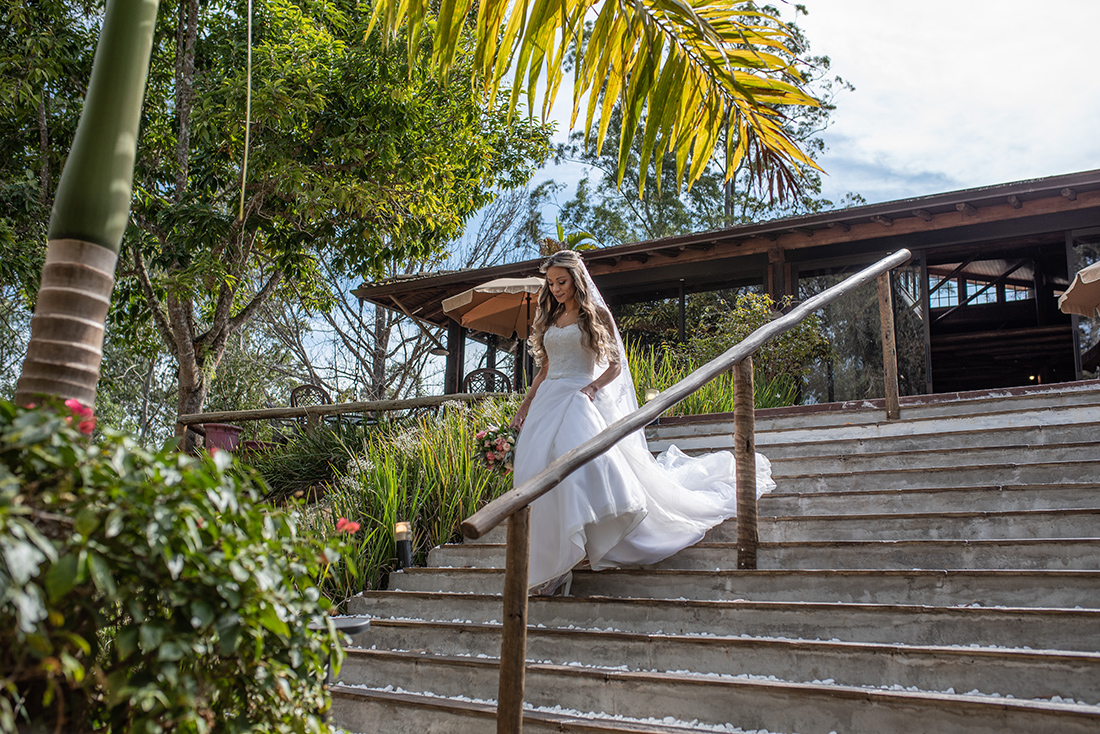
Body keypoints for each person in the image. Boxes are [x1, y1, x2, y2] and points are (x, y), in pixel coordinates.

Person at [510, 250, 776, 595]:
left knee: (578, 470)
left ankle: (581, 546)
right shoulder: (551, 316)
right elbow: (544, 369)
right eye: (551, 283)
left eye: (561, 282)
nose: (556, 289)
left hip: (579, 399)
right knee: (536, 470)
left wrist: (591, 387)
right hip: (547, 401)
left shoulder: (597, 315)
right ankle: (553, 557)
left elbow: (616, 367)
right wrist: (526, 404)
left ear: (576, 280)